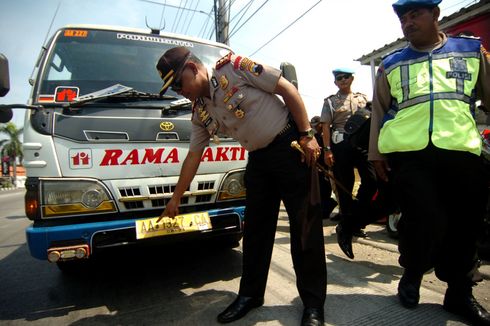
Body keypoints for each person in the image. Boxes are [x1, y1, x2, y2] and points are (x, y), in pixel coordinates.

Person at [156, 46, 327, 326]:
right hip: (258, 161)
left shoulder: (234, 67)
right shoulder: (200, 110)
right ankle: (250, 295)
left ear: (192, 68)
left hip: (289, 146)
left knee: (305, 228)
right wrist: (175, 199)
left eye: (178, 83)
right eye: (172, 89)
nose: (179, 91)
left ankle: (313, 305)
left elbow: (287, 90)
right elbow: (193, 155)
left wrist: (307, 134)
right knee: (256, 232)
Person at [369, 0, 490, 324]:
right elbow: (379, 111)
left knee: (466, 225)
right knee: (422, 220)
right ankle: (412, 272)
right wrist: (376, 153)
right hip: (411, 154)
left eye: (415, 14)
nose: (407, 22)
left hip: (462, 149)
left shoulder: (470, 51)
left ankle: (458, 293)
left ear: (435, 14)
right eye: (403, 18)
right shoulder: (391, 64)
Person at [320, 68, 378, 259]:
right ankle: (348, 223)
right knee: (345, 186)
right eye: (339, 78)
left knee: (371, 181)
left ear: (352, 78)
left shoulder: (363, 98)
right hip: (341, 145)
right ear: (335, 82)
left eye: (346, 77)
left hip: (361, 145)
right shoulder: (330, 101)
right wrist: (327, 150)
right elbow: (325, 127)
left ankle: (356, 219)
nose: (343, 80)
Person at [310, 116, 338, 219]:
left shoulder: (328, 135)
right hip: (319, 167)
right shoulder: (315, 135)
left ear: (321, 124)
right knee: (321, 190)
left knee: (325, 190)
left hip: (328, 167)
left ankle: (328, 207)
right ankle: (325, 209)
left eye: (317, 126)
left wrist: (328, 169)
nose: (315, 128)